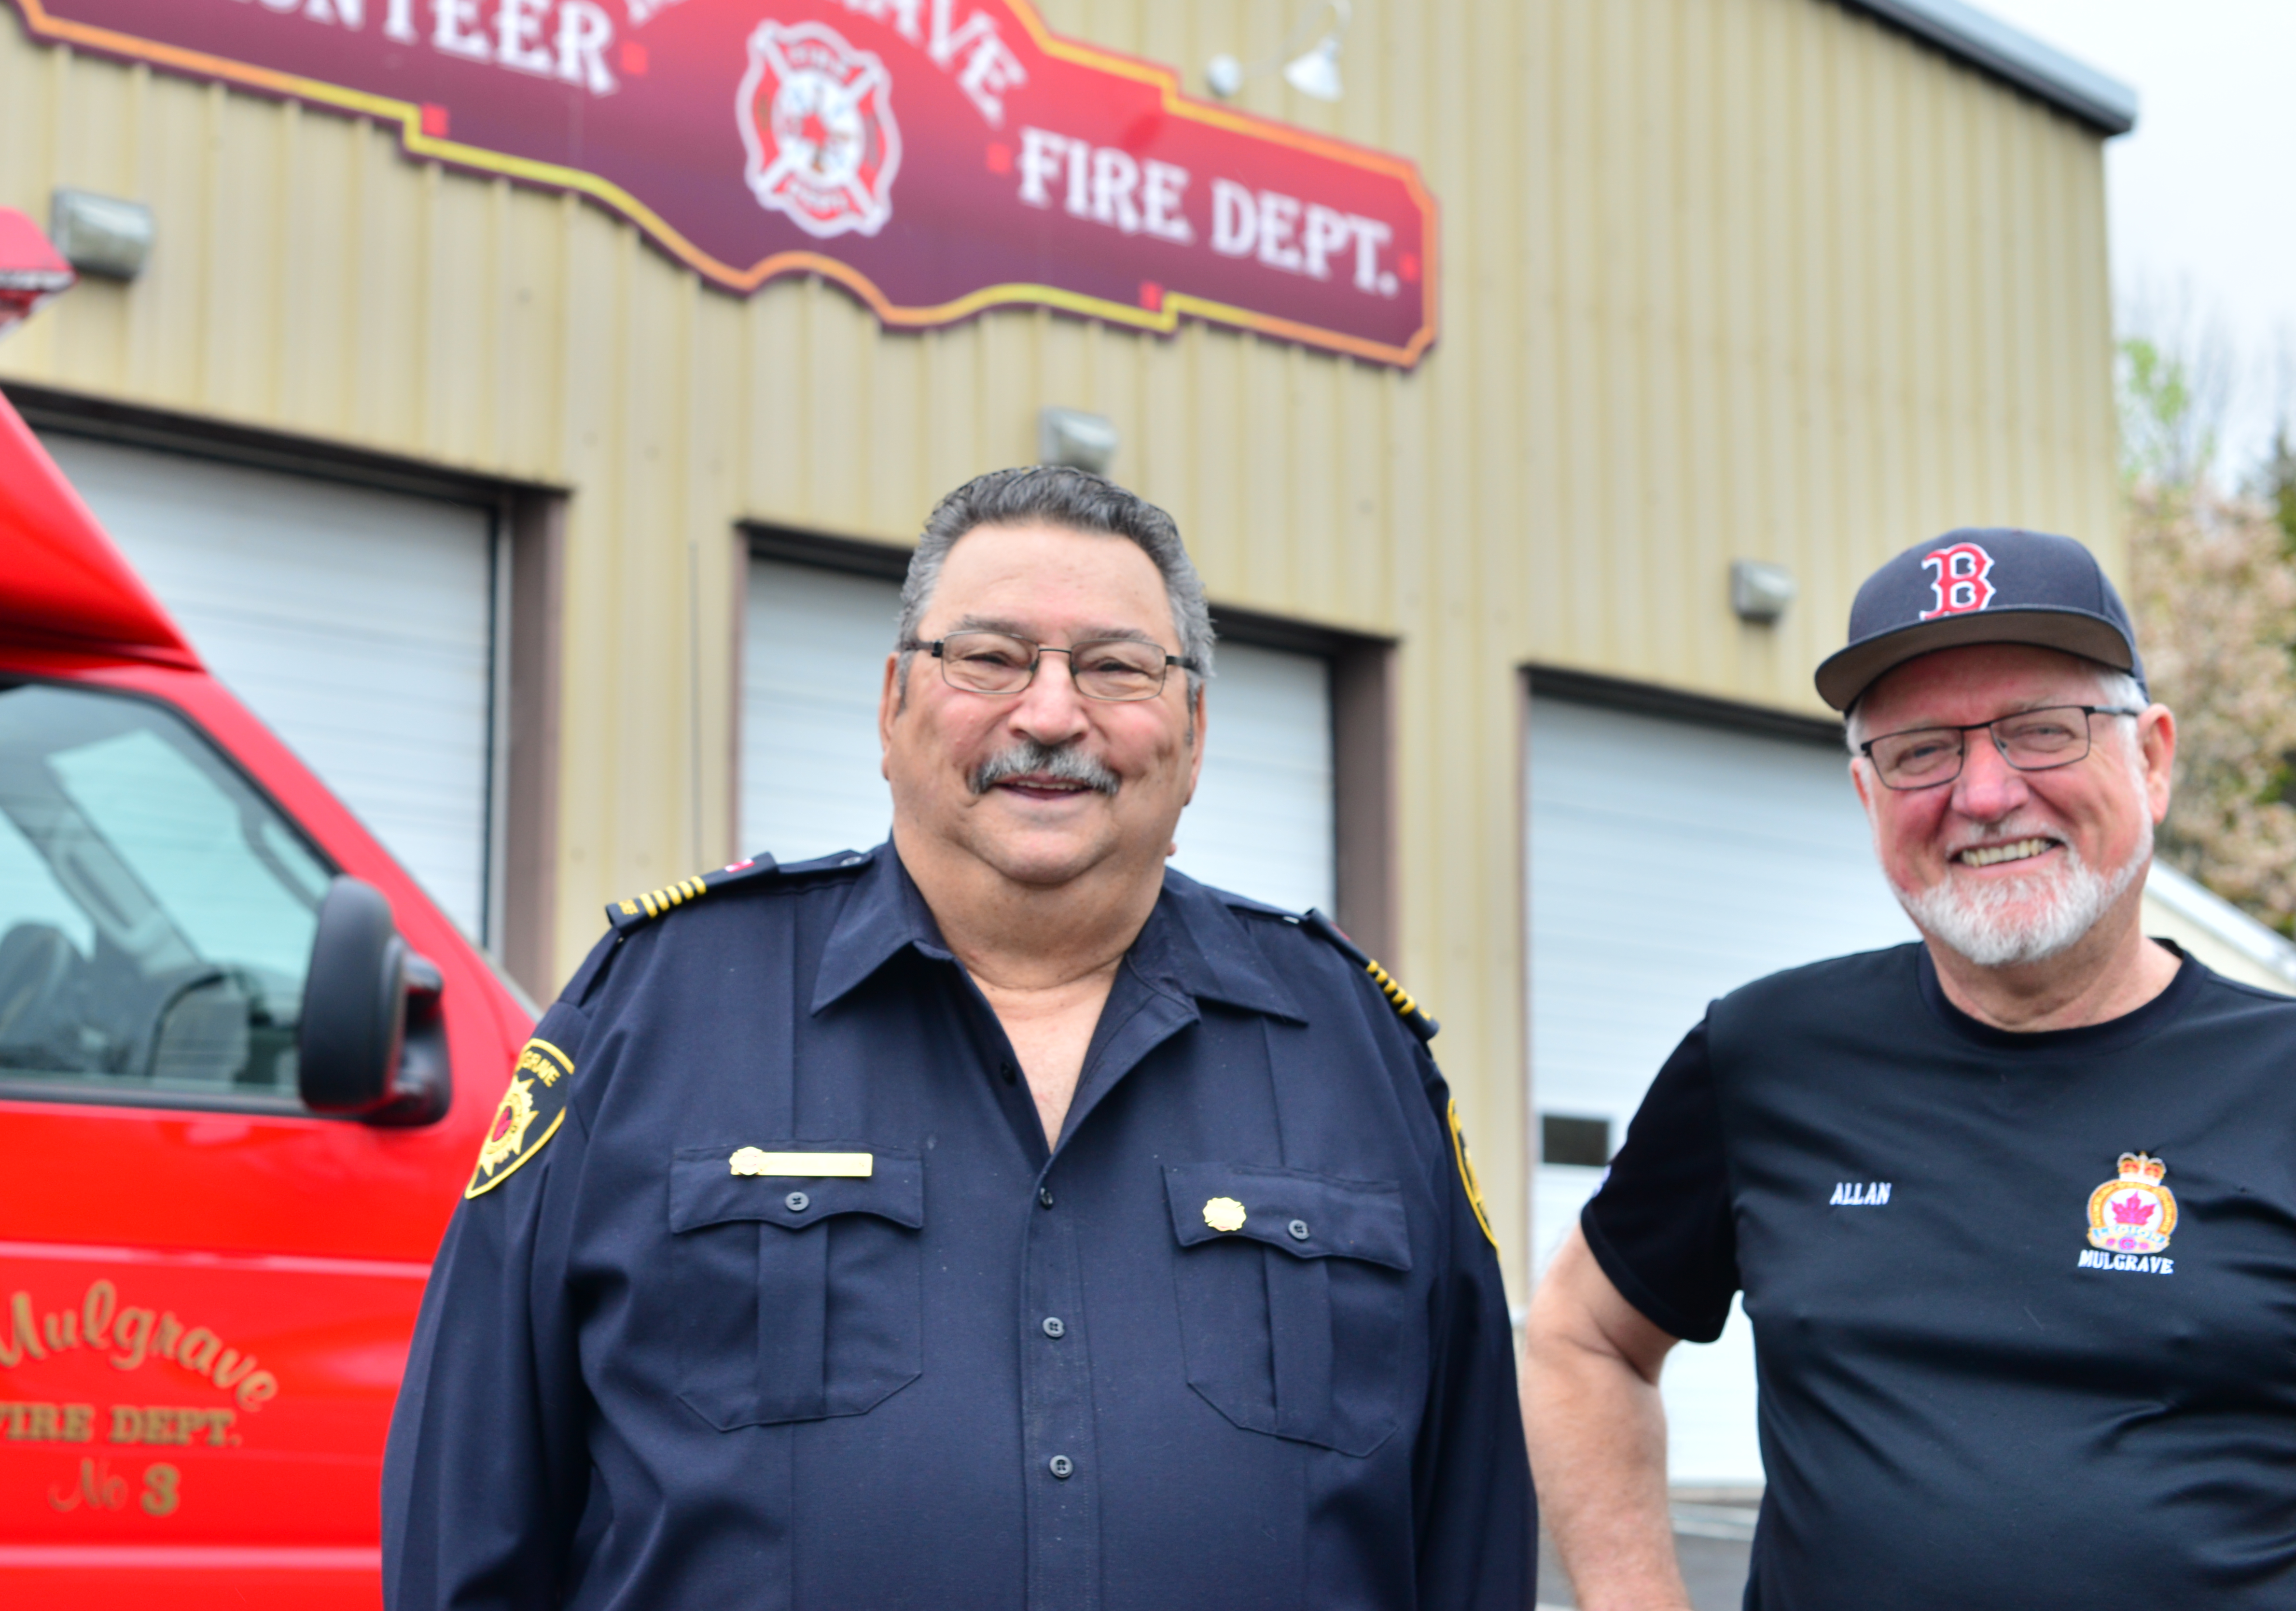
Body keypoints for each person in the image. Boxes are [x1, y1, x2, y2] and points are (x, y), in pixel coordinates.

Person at [385, 465, 1531, 1610]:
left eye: (1115, 667)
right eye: (987, 657)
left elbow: (1470, 1531)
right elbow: (470, 1504)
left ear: (1190, 731)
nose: (1047, 713)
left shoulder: (1357, 1051)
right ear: (892, 706)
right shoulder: (652, 1009)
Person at [1524, 526, 2296, 1609]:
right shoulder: (1764, 1056)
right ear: (1865, 796)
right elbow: (1580, 1338)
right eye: (1920, 749)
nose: (1983, 793)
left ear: (2152, 758)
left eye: (2041, 729)